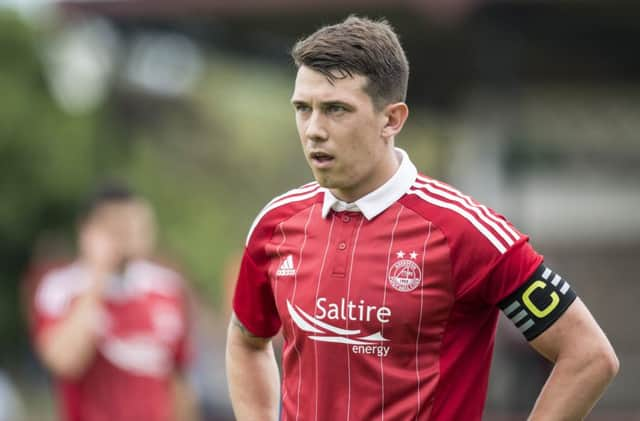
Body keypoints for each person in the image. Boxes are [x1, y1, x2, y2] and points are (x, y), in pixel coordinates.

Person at [225, 15, 619, 421]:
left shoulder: (465, 232)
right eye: (303, 109)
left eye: (335, 109)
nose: (313, 130)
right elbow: (246, 340)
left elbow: (588, 355)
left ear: (392, 119)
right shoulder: (276, 224)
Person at [31, 185, 194, 421]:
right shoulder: (62, 288)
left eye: (134, 226)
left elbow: (179, 381)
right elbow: (63, 361)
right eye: (115, 228)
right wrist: (98, 275)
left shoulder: (167, 288)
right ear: (88, 231)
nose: (127, 236)